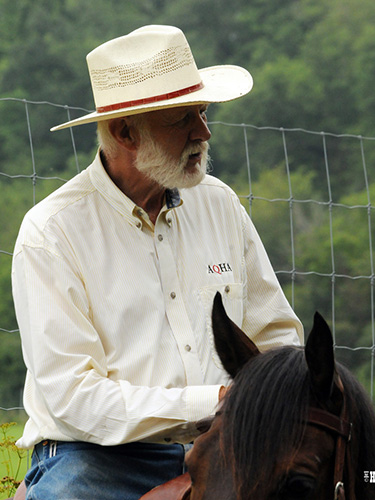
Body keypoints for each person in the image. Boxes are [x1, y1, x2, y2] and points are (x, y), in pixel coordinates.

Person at [12, 25, 303, 500]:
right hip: (97, 460)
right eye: (182, 119)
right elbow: (74, 400)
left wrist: (249, 417)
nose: (204, 132)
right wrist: (218, 401)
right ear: (126, 131)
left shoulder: (220, 205)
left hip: (228, 445)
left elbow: (277, 339)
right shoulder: (52, 233)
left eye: (203, 113)